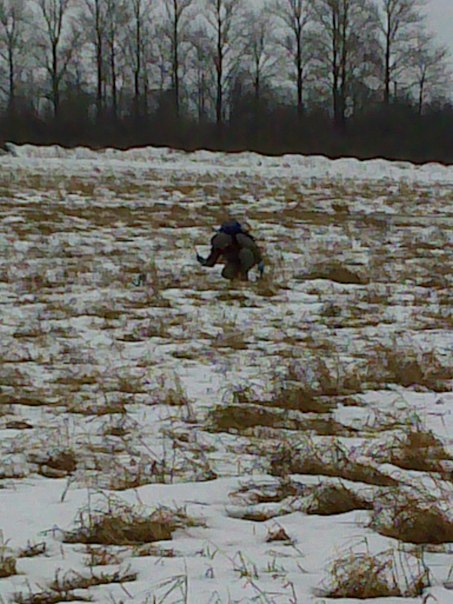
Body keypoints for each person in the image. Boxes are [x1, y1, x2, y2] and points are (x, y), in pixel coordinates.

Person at [196, 219, 264, 281]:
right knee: (227, 274)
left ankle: (243, 275)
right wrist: (205, 262)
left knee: (245, 254)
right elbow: (214, 257)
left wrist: (259, 261)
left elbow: (253, 248)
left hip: (248, 258)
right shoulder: (219, 243)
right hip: (234, 260)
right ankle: (238, 277)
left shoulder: (240, 238)